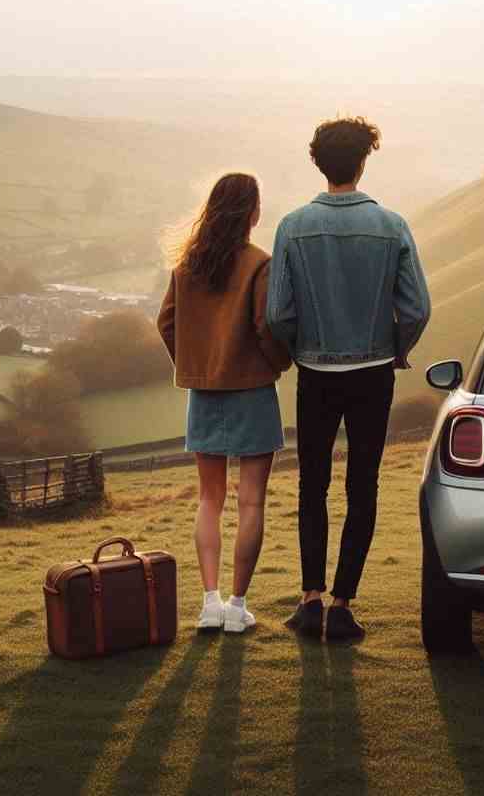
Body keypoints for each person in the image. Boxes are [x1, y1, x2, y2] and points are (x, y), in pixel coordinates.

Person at [267, 117, 431, 641]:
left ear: (318, 162)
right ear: (363, 163)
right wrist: (396, 351)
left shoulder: (292, 226)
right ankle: (342, 605)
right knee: (364, 485)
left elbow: (277, 313)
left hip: (315, 374)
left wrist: (299, 349)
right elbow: (418, 308)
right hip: (373, 375)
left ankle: (309, 598)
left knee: (311, 484)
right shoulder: (392, 225)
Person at [157, 172, 292, 634]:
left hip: (205, 394)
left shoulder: (185, 266)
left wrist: (195, 365)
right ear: (252, 213)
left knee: (209, 499)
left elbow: (166, 323)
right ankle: (237, 607)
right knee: (252, 502)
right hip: (253, 391)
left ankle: (209, 604)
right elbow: (266, 327)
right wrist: (277, 363)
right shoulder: (260, 263)